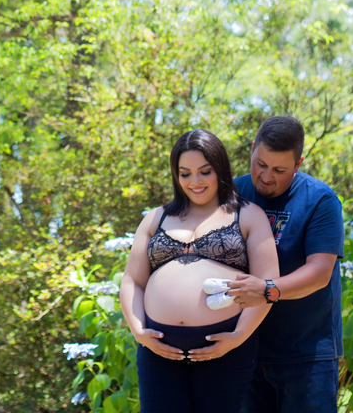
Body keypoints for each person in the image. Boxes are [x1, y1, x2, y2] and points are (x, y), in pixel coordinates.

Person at [119, 129, 280, 413]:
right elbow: (133, 280)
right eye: (185, 173)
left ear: (219, 168)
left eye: (204, 171)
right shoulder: (156, 218)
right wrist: (139, 331)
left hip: (225, 348)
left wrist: (238, 337)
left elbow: (267, 285)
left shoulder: (248, 214)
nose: (195, 182)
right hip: (159, 351)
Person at [227, 115, 345, 413]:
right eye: (260, 164)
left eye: (279, 170)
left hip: (306, 357)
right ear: (252, 148)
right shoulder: (231, 194)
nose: (266, 176)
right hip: (243, 354)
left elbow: (319, 273)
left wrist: (267, 290)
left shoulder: (321, 200)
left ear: (298, 163)